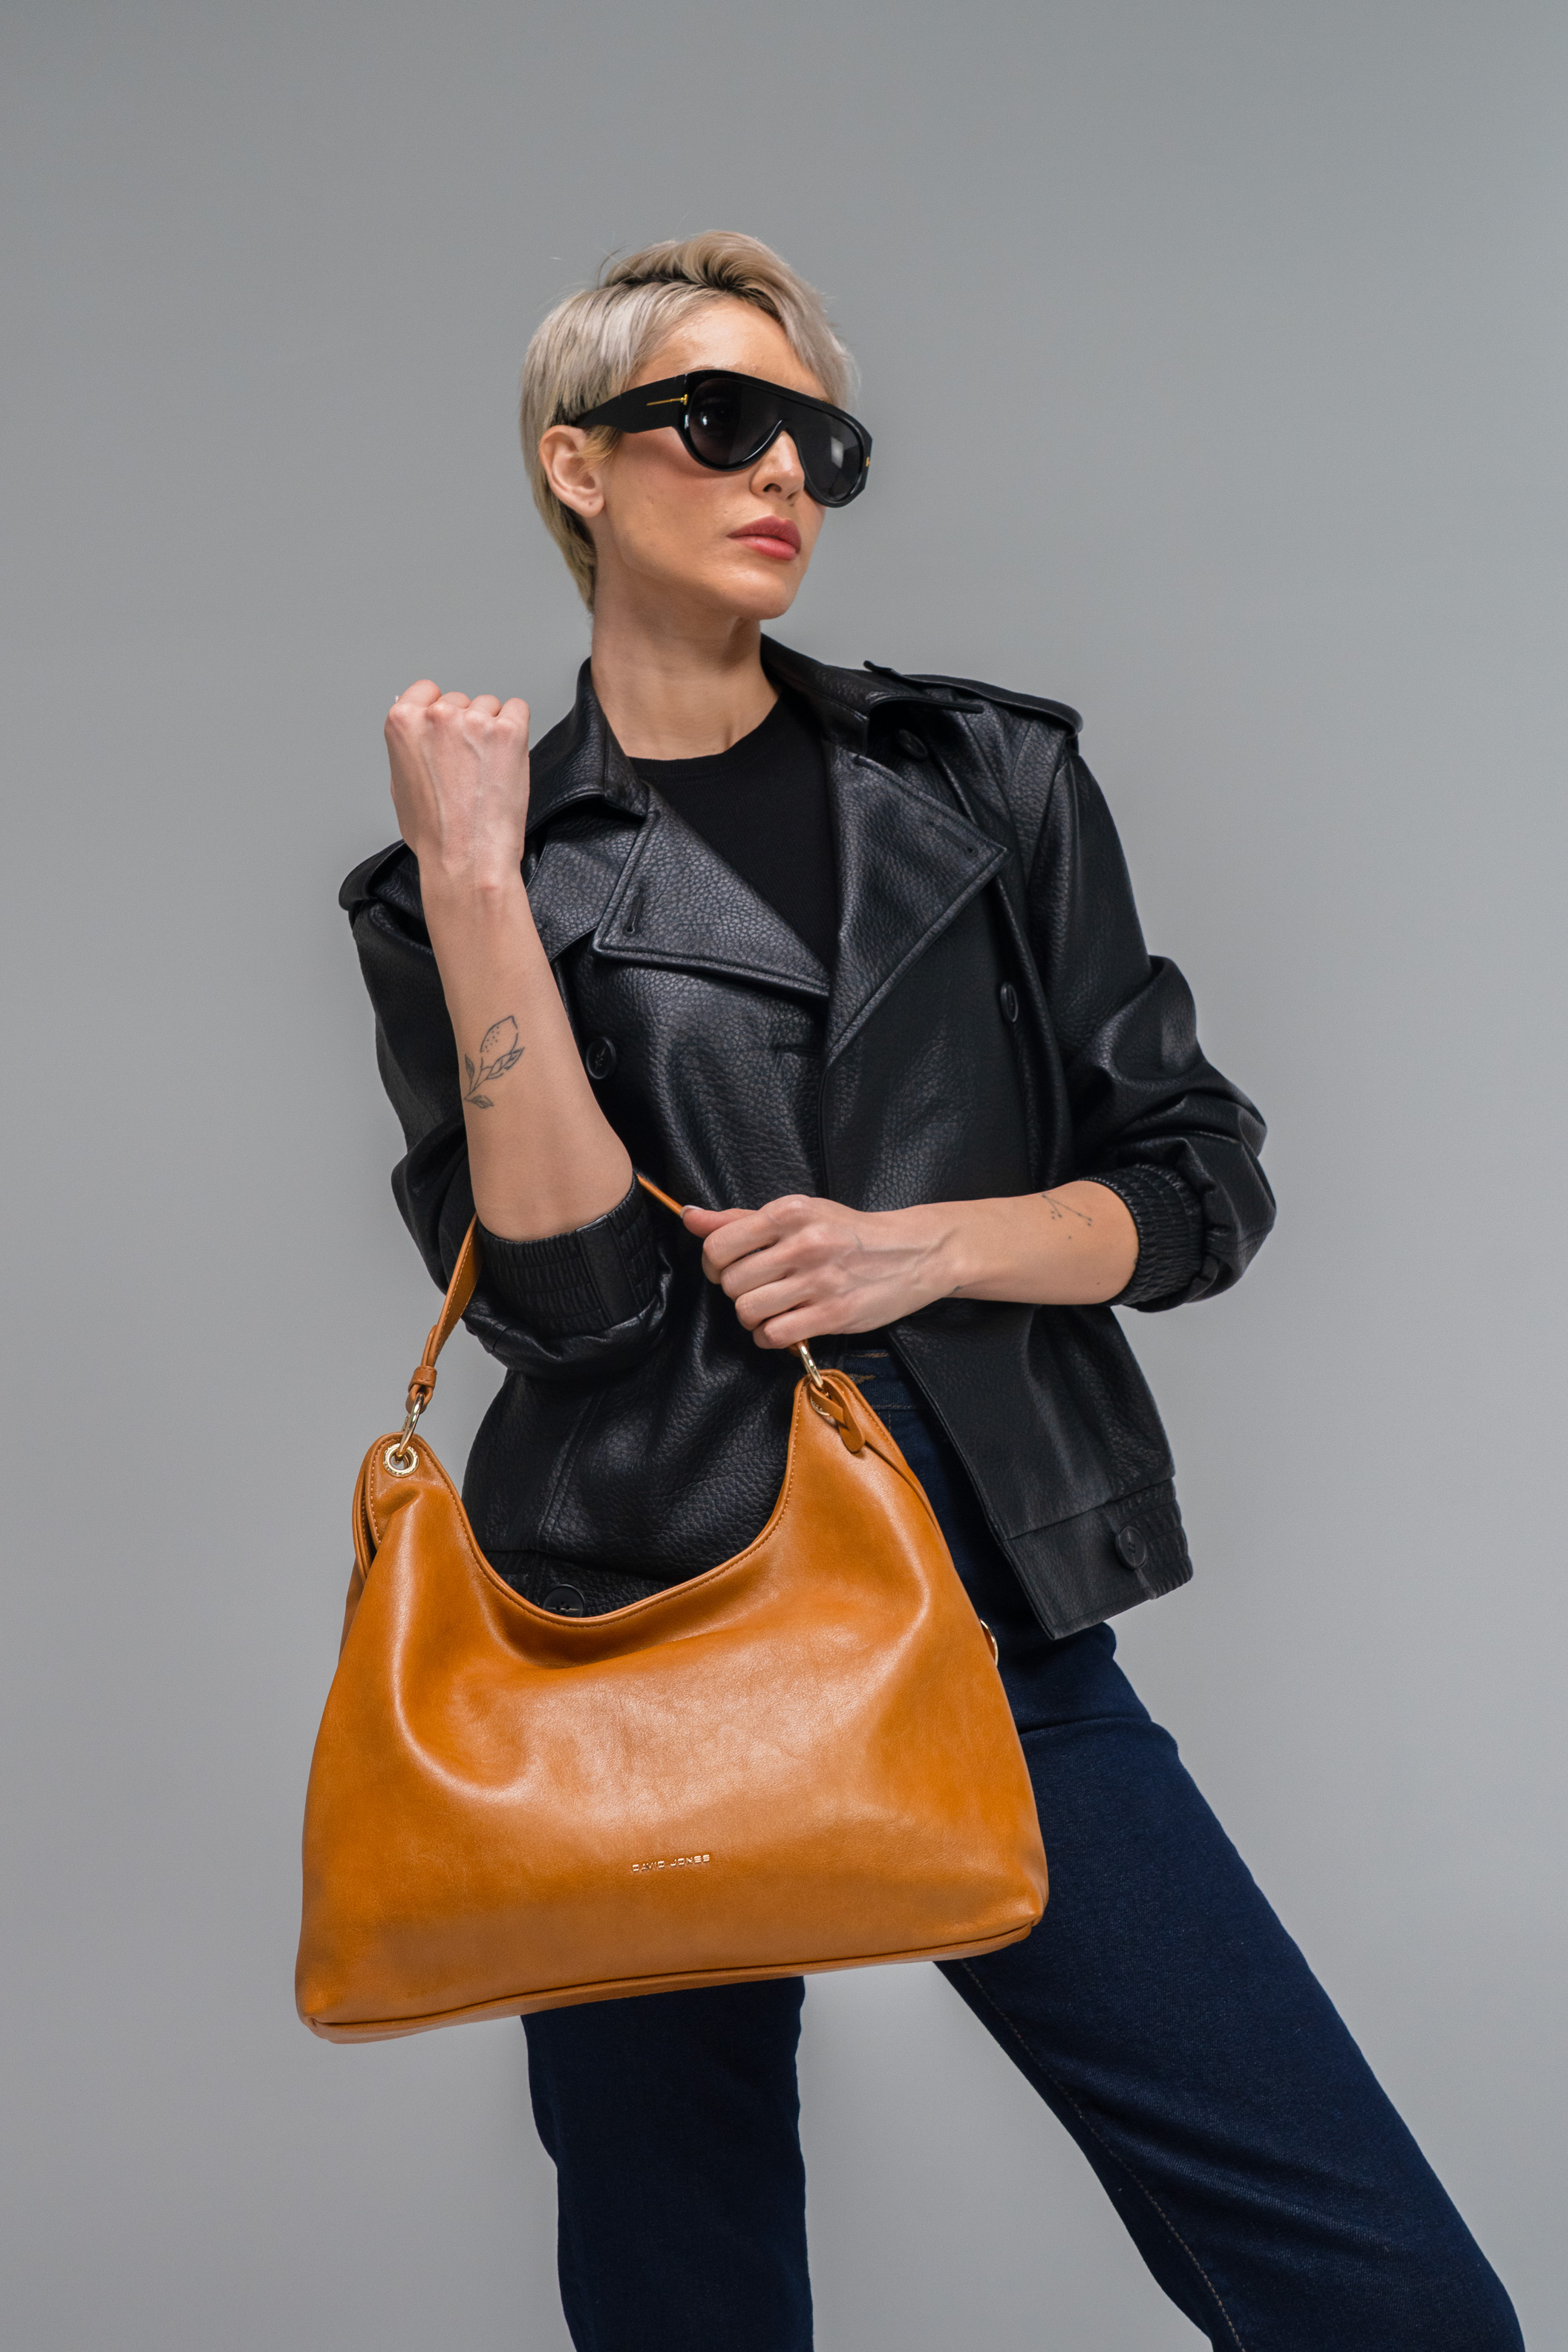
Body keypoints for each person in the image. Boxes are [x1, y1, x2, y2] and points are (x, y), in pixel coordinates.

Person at [340, 232, 1521, 2351]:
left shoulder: (984, 778)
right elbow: (575, 1306)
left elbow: (1198, 1183)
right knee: (684, 2300)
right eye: (722, 420)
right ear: (576, 464)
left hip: (989, 1603)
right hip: (629, 1636)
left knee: (1382, 2296)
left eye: (823, 438)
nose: (783, 470)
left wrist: (937, 1240)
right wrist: (478, 883)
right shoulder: (464, 874)